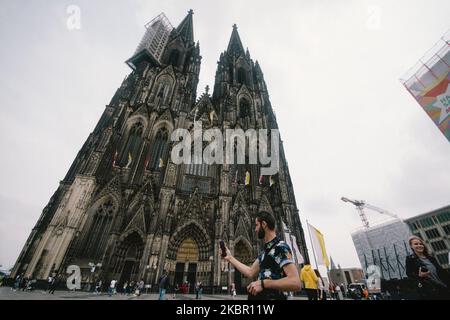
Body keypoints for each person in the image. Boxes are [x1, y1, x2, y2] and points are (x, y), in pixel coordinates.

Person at [222, 211, 301, 300]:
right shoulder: (265, 252)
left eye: (256, 225)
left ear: (264, 224)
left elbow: (296, 283)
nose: (255, 229)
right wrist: (230, 258)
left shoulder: (280, 247)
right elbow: (250, 272)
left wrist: (263, 283)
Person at [406, 236, 450, 300]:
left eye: (421, 244)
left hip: (445, 287)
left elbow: (442, 272)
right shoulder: (410, 259)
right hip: (432, 291)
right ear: (411, 246)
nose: (419, 245)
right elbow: (409, 274)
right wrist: (420, 276)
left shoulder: (431, 258)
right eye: (416, 244)